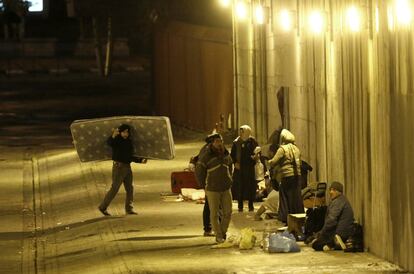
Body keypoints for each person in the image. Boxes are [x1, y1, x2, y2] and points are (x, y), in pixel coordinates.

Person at [98, 124, 147, 216]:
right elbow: (109, 143)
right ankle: (102, 207)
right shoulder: (116, 140)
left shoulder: (128, 142)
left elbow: (130, 156)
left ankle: (129, 209)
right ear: (120, 132)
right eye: (124, 132)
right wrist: (113, 135)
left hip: (127, 167)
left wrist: (140, 160)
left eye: (127, 132)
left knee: (130, 189)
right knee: (114, 189)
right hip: (119, 168)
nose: (126, 134)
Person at [195, 133, 233, 243]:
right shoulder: (206, 156)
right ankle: (219, 235)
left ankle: (222, 231)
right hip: (212, 189)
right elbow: (199, 171)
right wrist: (203, 185)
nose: (219, 143)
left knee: (228, 212)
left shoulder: (226, 154)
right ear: (212, 143)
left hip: (226, 188)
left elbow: (230, 166)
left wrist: (230, 179)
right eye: (216, 141)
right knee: (214, 213)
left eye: (220, 141)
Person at [268, 128, 303, 223]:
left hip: (287, 177)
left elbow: (274, 161)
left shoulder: (282, 149)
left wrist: (269, 162)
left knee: (284, 197)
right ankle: (297, 216)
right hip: (297, 176)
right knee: (296, 197)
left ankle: (284, 217)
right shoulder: (296, 149)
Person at [311, 181, 355, 251]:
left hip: (340, 233)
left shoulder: (338, 202)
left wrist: (321, 235)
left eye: (334, 190)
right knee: (316, 241)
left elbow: (331, 221)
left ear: (340, 192)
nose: (331, 192)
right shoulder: (341, 200)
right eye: (330, 190)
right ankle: (332, 245)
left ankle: (334, 244)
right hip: (344, 231)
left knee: (315, 244)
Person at [190, 133, 216, 237]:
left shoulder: (209, 150)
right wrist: (203, 184)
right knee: (210, 205)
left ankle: (212, 228)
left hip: (215, 183)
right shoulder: (207, 152)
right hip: (210, 183)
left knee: (213, 205)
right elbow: (200, 170)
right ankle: (208, 228)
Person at [230, 125, 259, 212]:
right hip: (240, 168)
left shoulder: (252, 141)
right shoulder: (236, 142)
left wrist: (256, 157)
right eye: (241, 131)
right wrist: (235, 162)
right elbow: (232, 155)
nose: (241, 133)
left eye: (243, 131)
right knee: (240, 186)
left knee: (250, 186)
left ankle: (250, 205)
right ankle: (240, 205)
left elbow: (257, 151)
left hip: (249, 167)